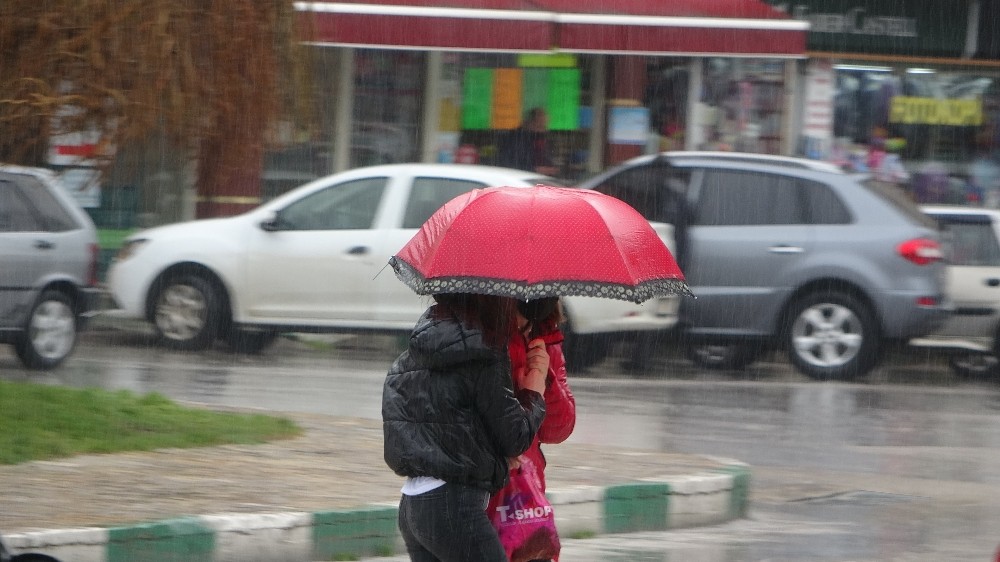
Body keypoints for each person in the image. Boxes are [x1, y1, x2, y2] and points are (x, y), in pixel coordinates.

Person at [383, 292, 550, 562]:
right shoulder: (486, 351)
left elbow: (441, 431)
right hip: (454, 508)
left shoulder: (413, 355)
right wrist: (534, 392)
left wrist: (492, 459)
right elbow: (515, 437)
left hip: (413, 506)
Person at [488, 297, 576, 562]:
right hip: (486, 490)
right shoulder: (487, 336)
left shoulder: (547, 336)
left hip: (525, 495)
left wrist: (544, 379)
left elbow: (559, 429)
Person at [498, 107, 558, 176]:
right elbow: (508, 163)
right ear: (530, 123)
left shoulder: (543, 138)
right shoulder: (516, 139)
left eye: (544, 124)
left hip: (540, 179)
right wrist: (534, 170)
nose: (543, 128)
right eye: (540, 124)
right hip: (521, 178)